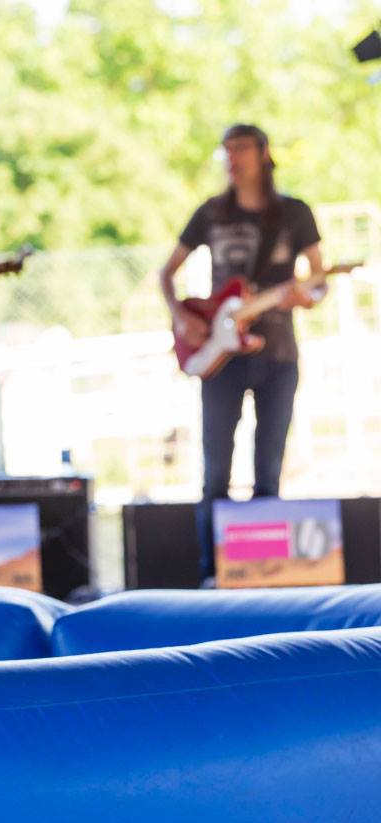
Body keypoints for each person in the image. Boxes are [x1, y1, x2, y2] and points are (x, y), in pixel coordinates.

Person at [158, 123, 324, 584]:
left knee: (269, 468)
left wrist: (305, 297)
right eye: (227, 149)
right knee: (216, 472)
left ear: (263, 153)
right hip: (222, 357)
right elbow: (166, 272)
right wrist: (181, 315)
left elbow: (319, 279)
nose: (233, 158)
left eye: (242, 148)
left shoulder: (294, 212)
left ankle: (261, 573)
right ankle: (213, 574)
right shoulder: (211, 212)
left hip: (278, 353)